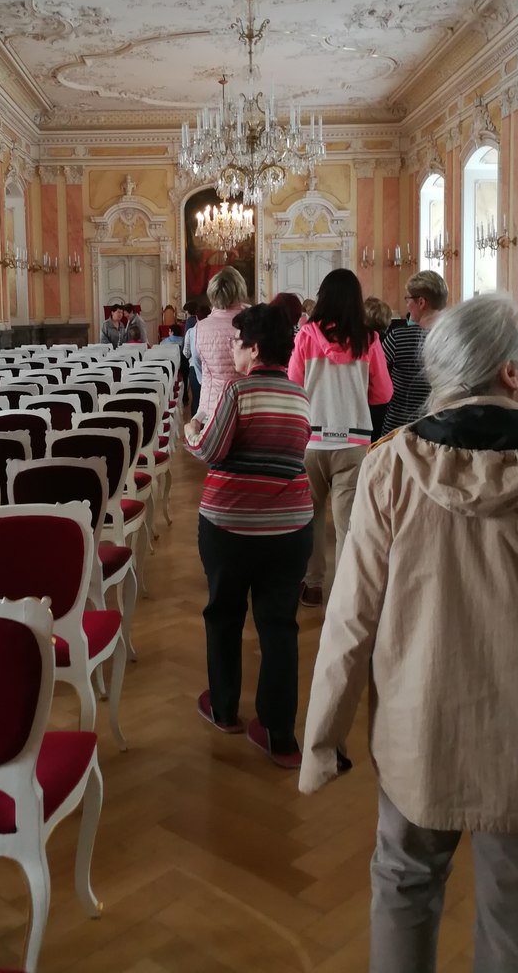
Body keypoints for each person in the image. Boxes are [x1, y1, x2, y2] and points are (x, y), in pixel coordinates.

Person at [300, 294, 518, 973]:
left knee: (404, 888)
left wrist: (323, 738)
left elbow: (350, 619)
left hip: (418, 734)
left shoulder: (388, 470)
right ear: (511, 372)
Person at [185, 302, 314, 767]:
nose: (232, 349)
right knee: (279, 625)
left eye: (237, 342)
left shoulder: (238, 390)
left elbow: (210, 450)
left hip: (230, 526)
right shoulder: (299, 395)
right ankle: (279, 735)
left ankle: (224, 709)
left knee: (224, 613)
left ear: (254, 348)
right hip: (290, 529)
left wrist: (191, 428)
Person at [288, 270, 392, 610]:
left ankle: (313, 585)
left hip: (312, 441)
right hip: (353, 440)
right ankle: (347, 593)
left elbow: (294, 385)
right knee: (348, 522)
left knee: (312, 516)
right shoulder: (369, 339)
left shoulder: (306, 336)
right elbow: (383, 393)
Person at [380, 269, 448, 436]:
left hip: (398, 428)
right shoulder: (454, 340)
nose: (407, 304)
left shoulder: (398, 338)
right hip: (437, 430)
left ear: (421, 302)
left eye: (408, 299)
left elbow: (374, 375)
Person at [193, 267, 248, 422]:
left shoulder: (200, 327)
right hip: (247, 405)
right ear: (240, 289)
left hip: (212, 408)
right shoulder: (254, 320)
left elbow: (198, 364)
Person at [184, 302, 211, 416]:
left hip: (194, 368)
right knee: (209, 399)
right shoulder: (212, 331)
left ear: (196, 317)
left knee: (196, 398)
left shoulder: (191, 331)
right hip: (210, 368)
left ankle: (194, 423)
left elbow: (186, 353)